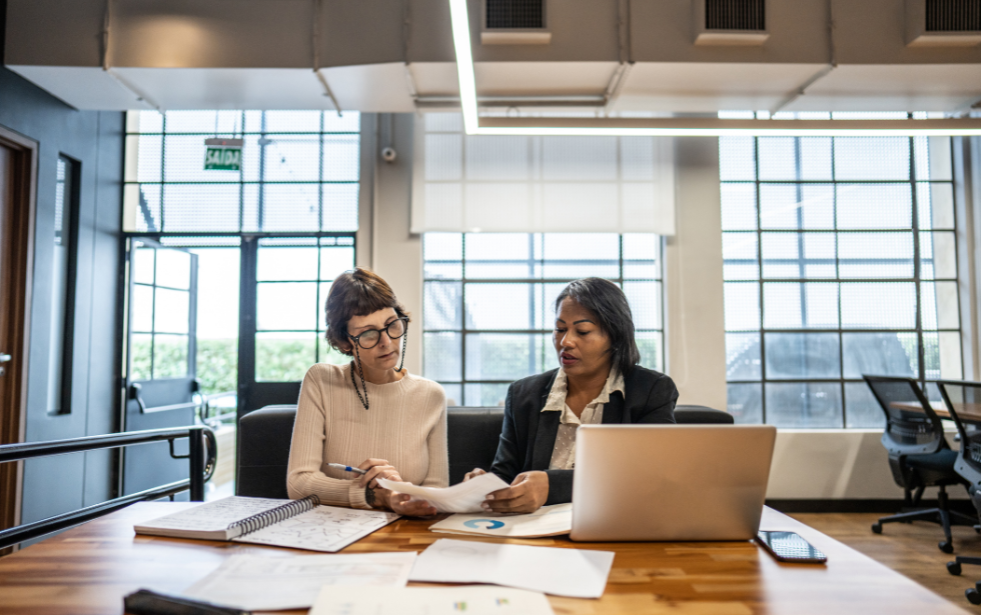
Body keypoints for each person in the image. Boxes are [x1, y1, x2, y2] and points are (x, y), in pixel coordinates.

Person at [465, 277, 678, 514]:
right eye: (560, 329)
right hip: (535, 531)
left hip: (615, 522)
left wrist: (553, 486)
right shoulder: (523, 394)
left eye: (583, 331)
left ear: (615, 337)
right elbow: (506, 474)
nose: (565, 342)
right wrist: (485, 484)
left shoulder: (650, 391)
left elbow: (649, 476)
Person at [286, 267, 447, 516]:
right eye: (368, 334)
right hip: (332, 533)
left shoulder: (431, 395)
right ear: (344, 341)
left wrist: (403, 495)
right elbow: (298, 483)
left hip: (405, 533)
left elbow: (437, 489)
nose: (387, 342)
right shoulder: (321, 380)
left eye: (392, 325)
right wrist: (375, 496)